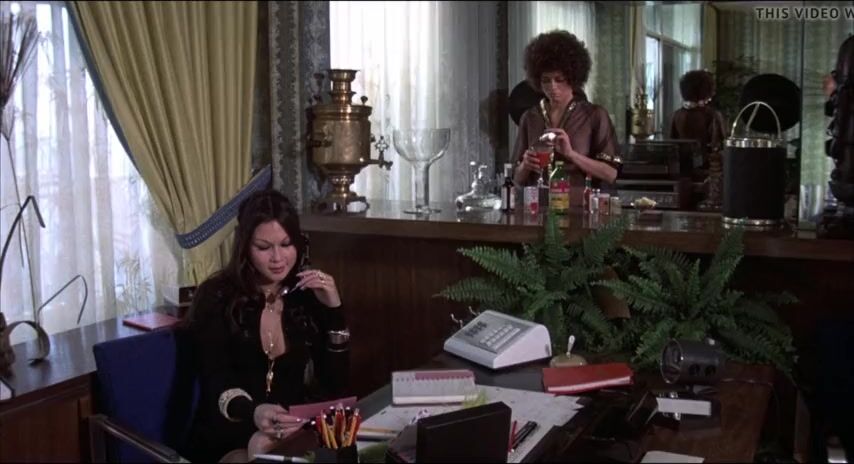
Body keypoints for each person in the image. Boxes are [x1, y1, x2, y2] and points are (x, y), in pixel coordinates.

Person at [184, 189, 347, 462]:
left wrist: (335, 311)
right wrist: (254, 411)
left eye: (286, 244)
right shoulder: (216, 296)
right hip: (231, 426)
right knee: (260, 445)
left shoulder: (306, 294)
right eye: (263, 247)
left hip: (289, 428)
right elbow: (216, 379)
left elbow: (336, 384)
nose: (278, 258)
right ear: (245, 247)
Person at [511, 30, 622, 193]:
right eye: (546, 80)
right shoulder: (530, 118)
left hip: (580, 205)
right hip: (538, 205)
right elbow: (515, 179)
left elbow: (610, 174)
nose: (552, 87)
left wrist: (571, 154)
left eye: (559, 79)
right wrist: (524, 166)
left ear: (572, 78)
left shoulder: (594, 116)